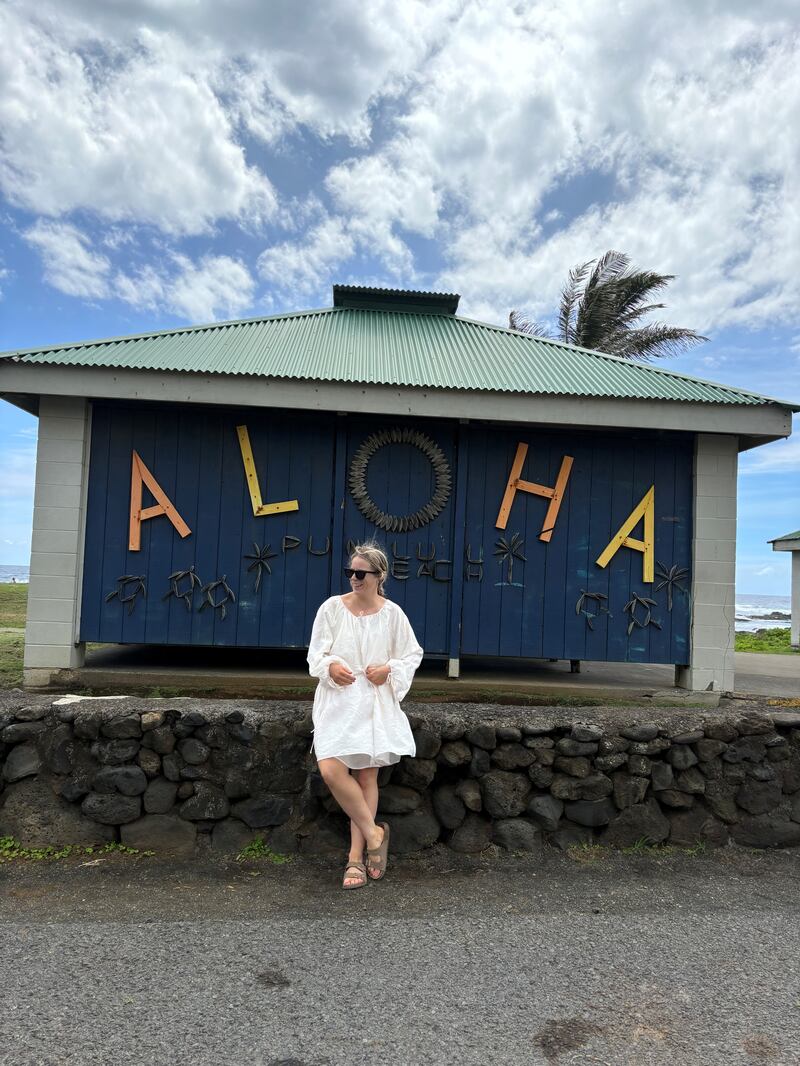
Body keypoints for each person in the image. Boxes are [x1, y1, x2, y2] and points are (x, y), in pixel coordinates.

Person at [307, 541, 424, 889]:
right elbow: (316, 654)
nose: (354, 579)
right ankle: (376, 835)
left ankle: (355, 858)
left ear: (379, 575)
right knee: (330, 769)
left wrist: (388, 669)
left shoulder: (392, 614)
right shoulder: (331, 608)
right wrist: (331, 667)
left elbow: (412, 654)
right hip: (337, 700)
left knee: (366, 778)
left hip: (373, 702)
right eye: (350, 572)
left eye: (361, 573)